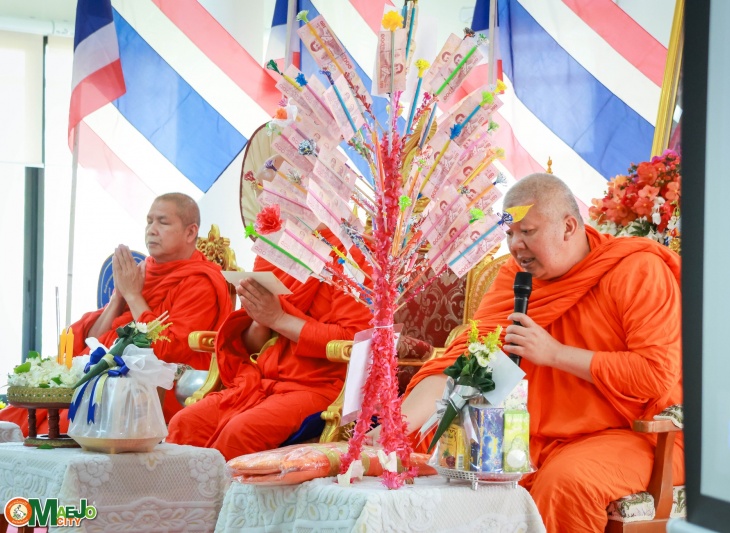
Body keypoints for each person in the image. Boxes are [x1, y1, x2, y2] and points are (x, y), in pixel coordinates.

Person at [401, 173, 684, 532]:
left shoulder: (637, 270)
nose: (515, 245)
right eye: (509, 233)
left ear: (568, 227)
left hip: (633, 435)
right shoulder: (515, 277)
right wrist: (397, 426)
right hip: (531, 434)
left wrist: (555, 354)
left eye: (527, 231)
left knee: (566, 482)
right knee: (442, 449)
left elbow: (654, 375)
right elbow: (468, 363)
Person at [0, 193, 232, 432]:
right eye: (149, 221)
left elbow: (167, 349)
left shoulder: (200, 282)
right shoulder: (142, 272)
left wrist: (133, 296)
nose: (151, 230)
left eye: (162, 222)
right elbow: (92, 341)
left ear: (190, 232)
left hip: (160, 387)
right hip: (103, 373)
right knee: (17, 415)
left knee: (66, 422)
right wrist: (117, 299)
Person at [166, 233, 373, 461]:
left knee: (240, 432)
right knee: (185, 423)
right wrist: (260, 318)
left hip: (319, 384)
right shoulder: (273, 249)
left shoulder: (350, 255)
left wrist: (278, 318)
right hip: (263, 380)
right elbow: (254, 345)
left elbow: (353, 340)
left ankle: (222, 487)